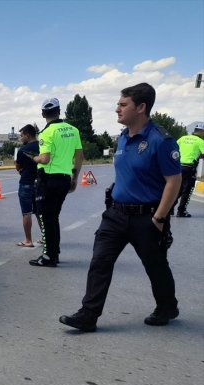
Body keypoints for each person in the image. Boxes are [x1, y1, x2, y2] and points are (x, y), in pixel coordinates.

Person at [60, 82, 182, 332]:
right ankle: (88, 315)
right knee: (100, 262)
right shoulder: (124, 138)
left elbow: (174, 181)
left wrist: (159, 218)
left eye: (123, 104)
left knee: (155, 265)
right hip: (115, 214)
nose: (117, 109)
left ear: (141, 107)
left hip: (147, 217)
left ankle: (167, 307)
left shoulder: (161, 140)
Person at [29, 98, 84, 267]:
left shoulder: (46, 132)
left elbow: (45, 159)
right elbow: (80, 155)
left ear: (43, 113)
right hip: (65, 179)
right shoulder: (73, 130)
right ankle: (54, 253)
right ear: (60, 111)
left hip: (48, 179)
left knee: (45, 218)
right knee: (53, 217)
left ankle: (48, 256)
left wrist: (34, 158)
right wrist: (75, 177)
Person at [15, 124, 40, 247]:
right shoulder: (43, 147)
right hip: (40, 184)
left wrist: (22, 172)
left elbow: (18, 167)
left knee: (27, 213)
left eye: (21, 135)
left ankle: (28, 240)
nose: (21, 138)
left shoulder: (22, 150)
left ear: (27, 135)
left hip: (26, 183)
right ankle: (45, 238)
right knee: (40, 212)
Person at [172, 122, 204, 217]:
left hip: (178, 167)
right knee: (187, 190)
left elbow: (174, 148)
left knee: (178, 189)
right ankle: (181, 211)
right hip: (189, 167)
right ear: (202, 132)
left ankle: (169, 208)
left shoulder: (183, 138)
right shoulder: (200, 141)